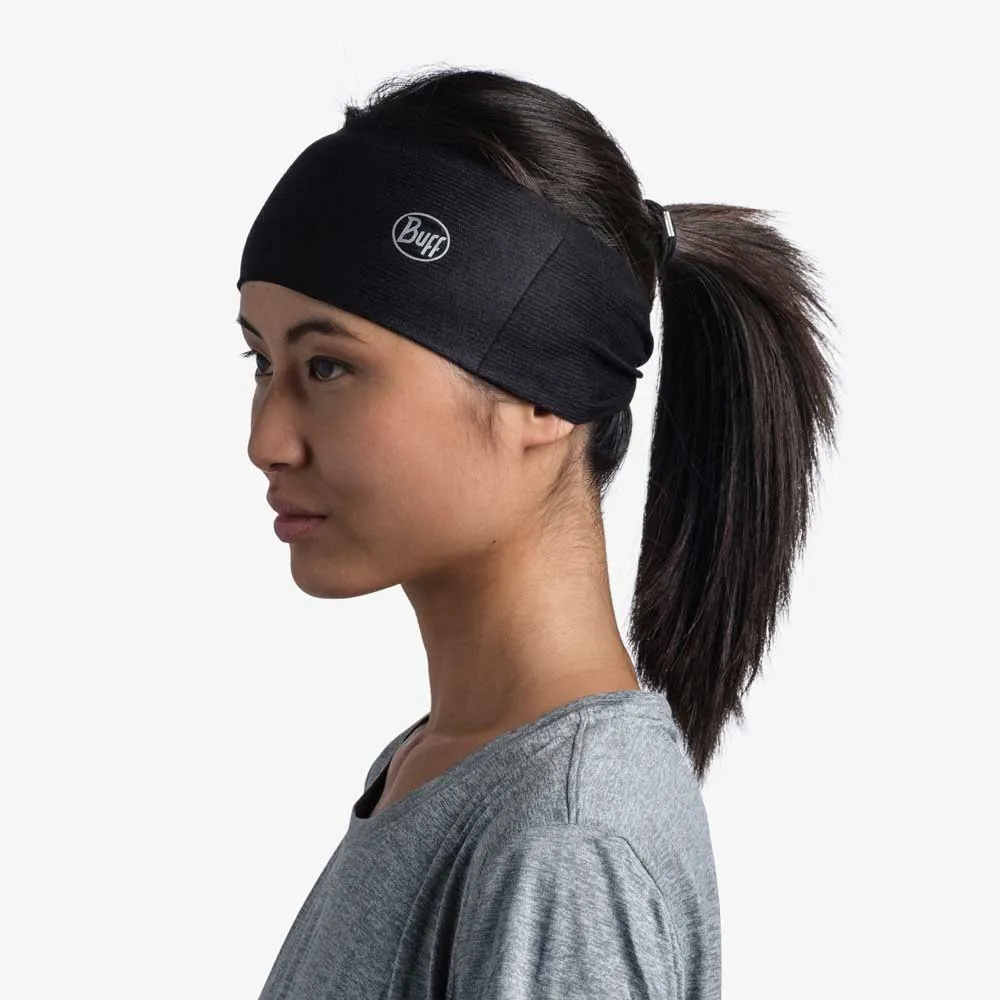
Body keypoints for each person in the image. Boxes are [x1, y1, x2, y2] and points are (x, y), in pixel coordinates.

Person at [236, 66, 840, 1000]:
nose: (266, 440)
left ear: (541, 394)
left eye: (328, 367)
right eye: (259, 361)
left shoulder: (563, 841)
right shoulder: (439, 767)